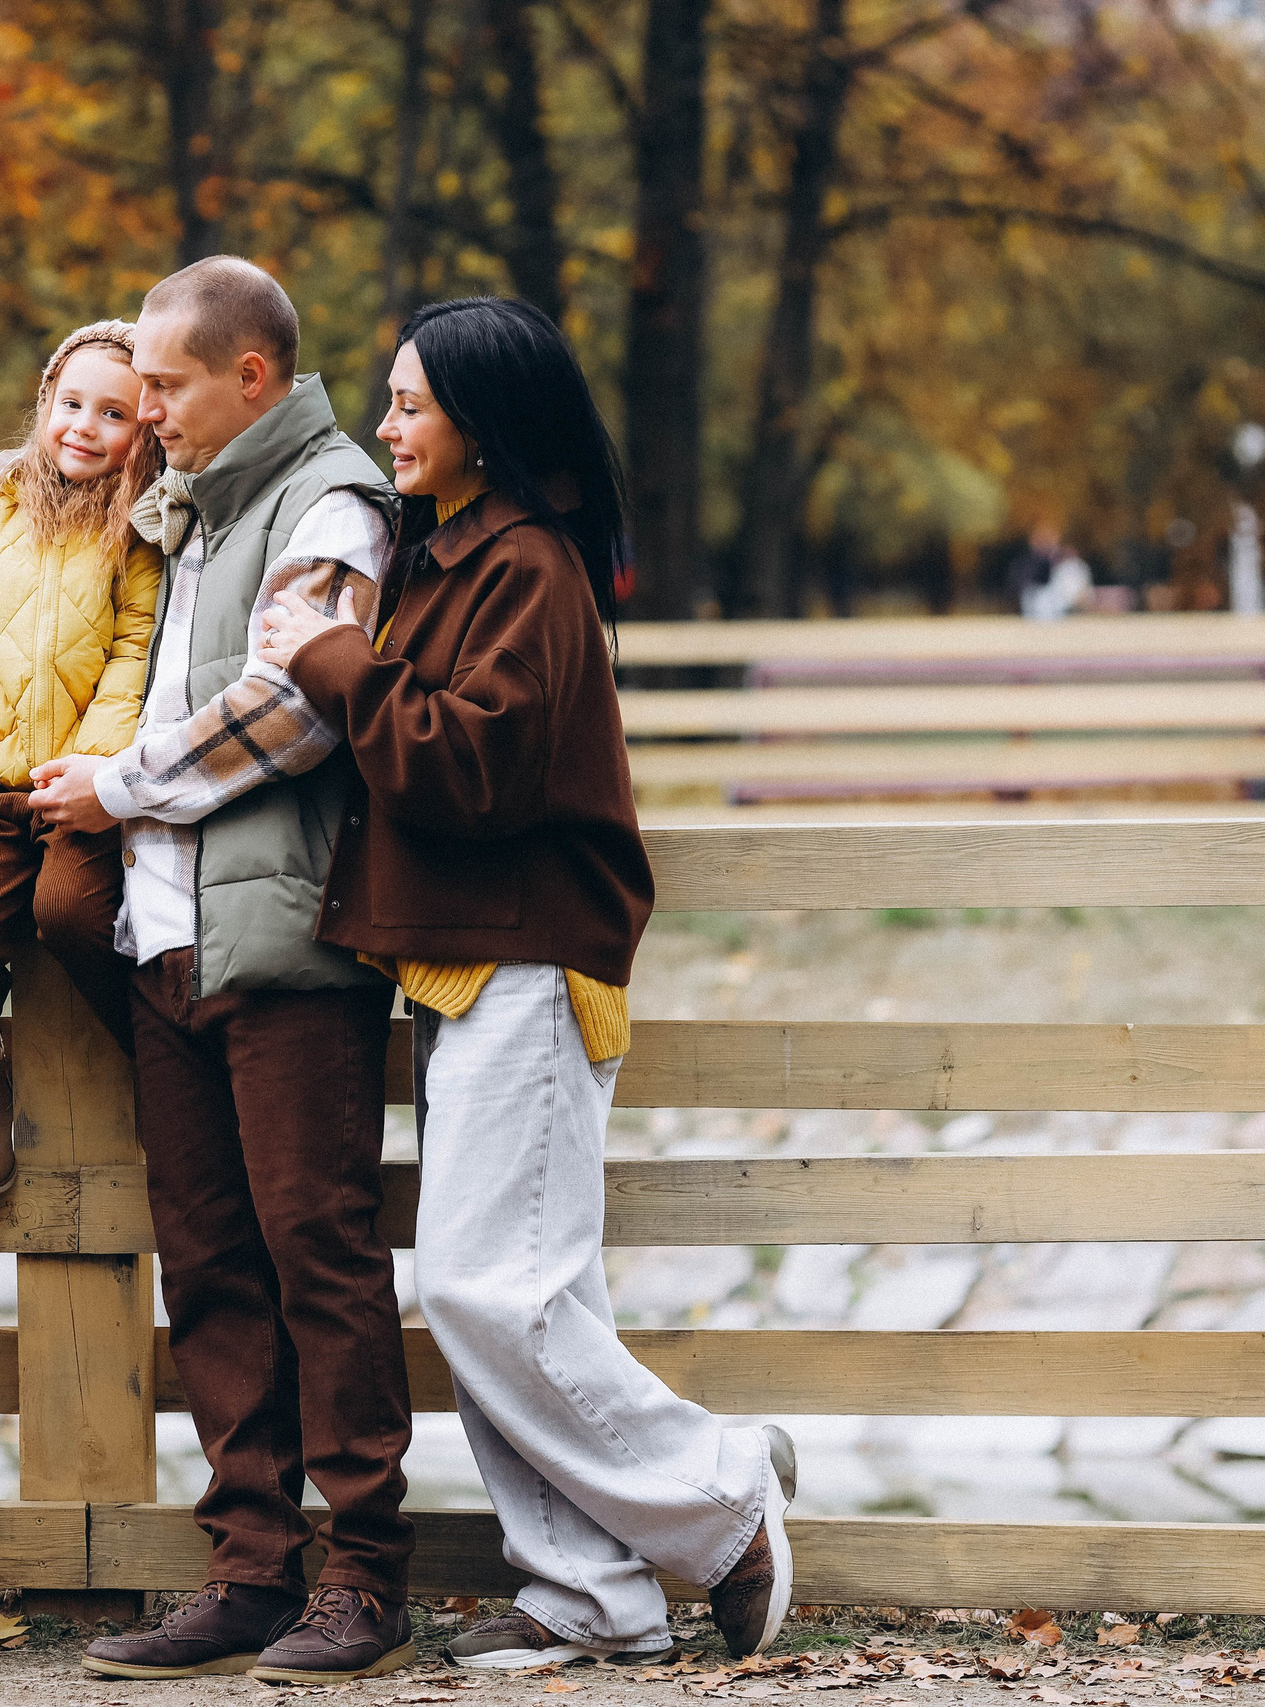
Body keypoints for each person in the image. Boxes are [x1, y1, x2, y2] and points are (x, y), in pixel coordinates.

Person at [256, 295, 798, 1670]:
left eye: (408, 404)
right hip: (462, 963)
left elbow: (470, 768)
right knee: (510, 1291)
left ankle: (721, 1494)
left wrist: (329, 663)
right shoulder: (452, 558)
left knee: (491, 1288)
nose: (385, 426)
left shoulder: (529, 570)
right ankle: (590, 1594)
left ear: (483, 427)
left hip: (533, 959)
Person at [28, 258, 416, 1686]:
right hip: (169, 938)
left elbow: (295, 708)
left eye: (168, 384)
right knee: (206, 1264)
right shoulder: (194, 508)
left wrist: (120, 785)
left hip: (286, 943)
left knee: (319, 1248)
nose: (143, 407)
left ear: (250, 376)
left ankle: (365, 1575)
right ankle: (252, 1568)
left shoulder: (328, 504)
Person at [0, 319, 164, 1195]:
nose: (84, 426)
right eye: (71, 402)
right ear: (44, 404)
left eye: (114, 413)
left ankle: (163, 1066)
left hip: (88, 789)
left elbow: (136, 654)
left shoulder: (141, 540)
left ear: (146, 432)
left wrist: (94, 763)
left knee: (71, 913)